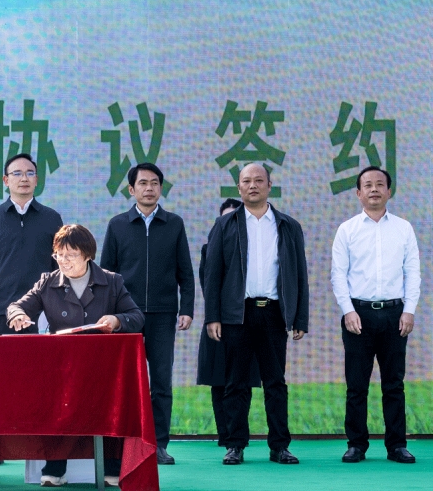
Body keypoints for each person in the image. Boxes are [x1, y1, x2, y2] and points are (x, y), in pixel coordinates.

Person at [7, 224, 144, 487]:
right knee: (54, 405)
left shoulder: (112, 281)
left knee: (109, 405)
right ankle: (55, 468)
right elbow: (16, 306)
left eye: (71, 255)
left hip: (101, 366)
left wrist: (116, 320)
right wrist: (19, 315)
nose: (64, 261)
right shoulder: (48, 281)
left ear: (88, 255)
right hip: (62, 366)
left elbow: (136, 316)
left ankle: (112, 467)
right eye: (59, 254)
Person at [204, 163, 309, 466]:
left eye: (259, 180)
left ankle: (279, 447)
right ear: (238, 188)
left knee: (275, 382)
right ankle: (235, 445)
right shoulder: (225, 225)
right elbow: (213, 274)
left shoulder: (288, 225)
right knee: (236, 383)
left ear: (269, 186)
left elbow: (299, 274)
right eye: (247, 181)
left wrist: (299, 318)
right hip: (238, 314)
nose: (253, 186)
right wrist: (213, 316)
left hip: (274, 313)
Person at [101, 163, 194, 465]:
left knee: (162, 383)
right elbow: (106, 274)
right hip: (126, 317)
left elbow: (185, 271)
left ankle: (158, 445)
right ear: (131, 189)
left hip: (163, 314)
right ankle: (125, 445)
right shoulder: (117, 225)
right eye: (143, 183)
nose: (149, 188)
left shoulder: (174, 224)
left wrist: (187, 309)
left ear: (161, 188)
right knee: (126, 384)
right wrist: (108, 314)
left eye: (154, 183)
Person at [331, 166, 420, 464]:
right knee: (356, 385)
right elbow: (338, 275)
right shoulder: (347, 230)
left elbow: (413, 273)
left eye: (379, 184)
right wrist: (348, 310)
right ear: (358, 193)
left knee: (394, 384)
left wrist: (409, 310)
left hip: (395, 314)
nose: (374, 189)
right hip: (358, 314)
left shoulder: (403, 228)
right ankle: (356, 445)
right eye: (367, 185)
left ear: (389, 191)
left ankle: (397, 446)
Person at [0, 153, 63, 335]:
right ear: (6, 180)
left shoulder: (51, 218)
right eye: (17, 173)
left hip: (41, 313)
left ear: (36, 180)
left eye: (30, 173)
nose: (24, 178)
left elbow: (59, 266)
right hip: (0, 312)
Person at [195, 198, 260, 447]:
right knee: (219, 379)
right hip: (219, 322)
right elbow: (208, 286)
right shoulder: (209, 249)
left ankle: (239, 433)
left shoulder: (254, 249)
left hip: (247, 321)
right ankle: (225, 435)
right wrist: (216, 317)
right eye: (226, 218)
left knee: (243, 380)